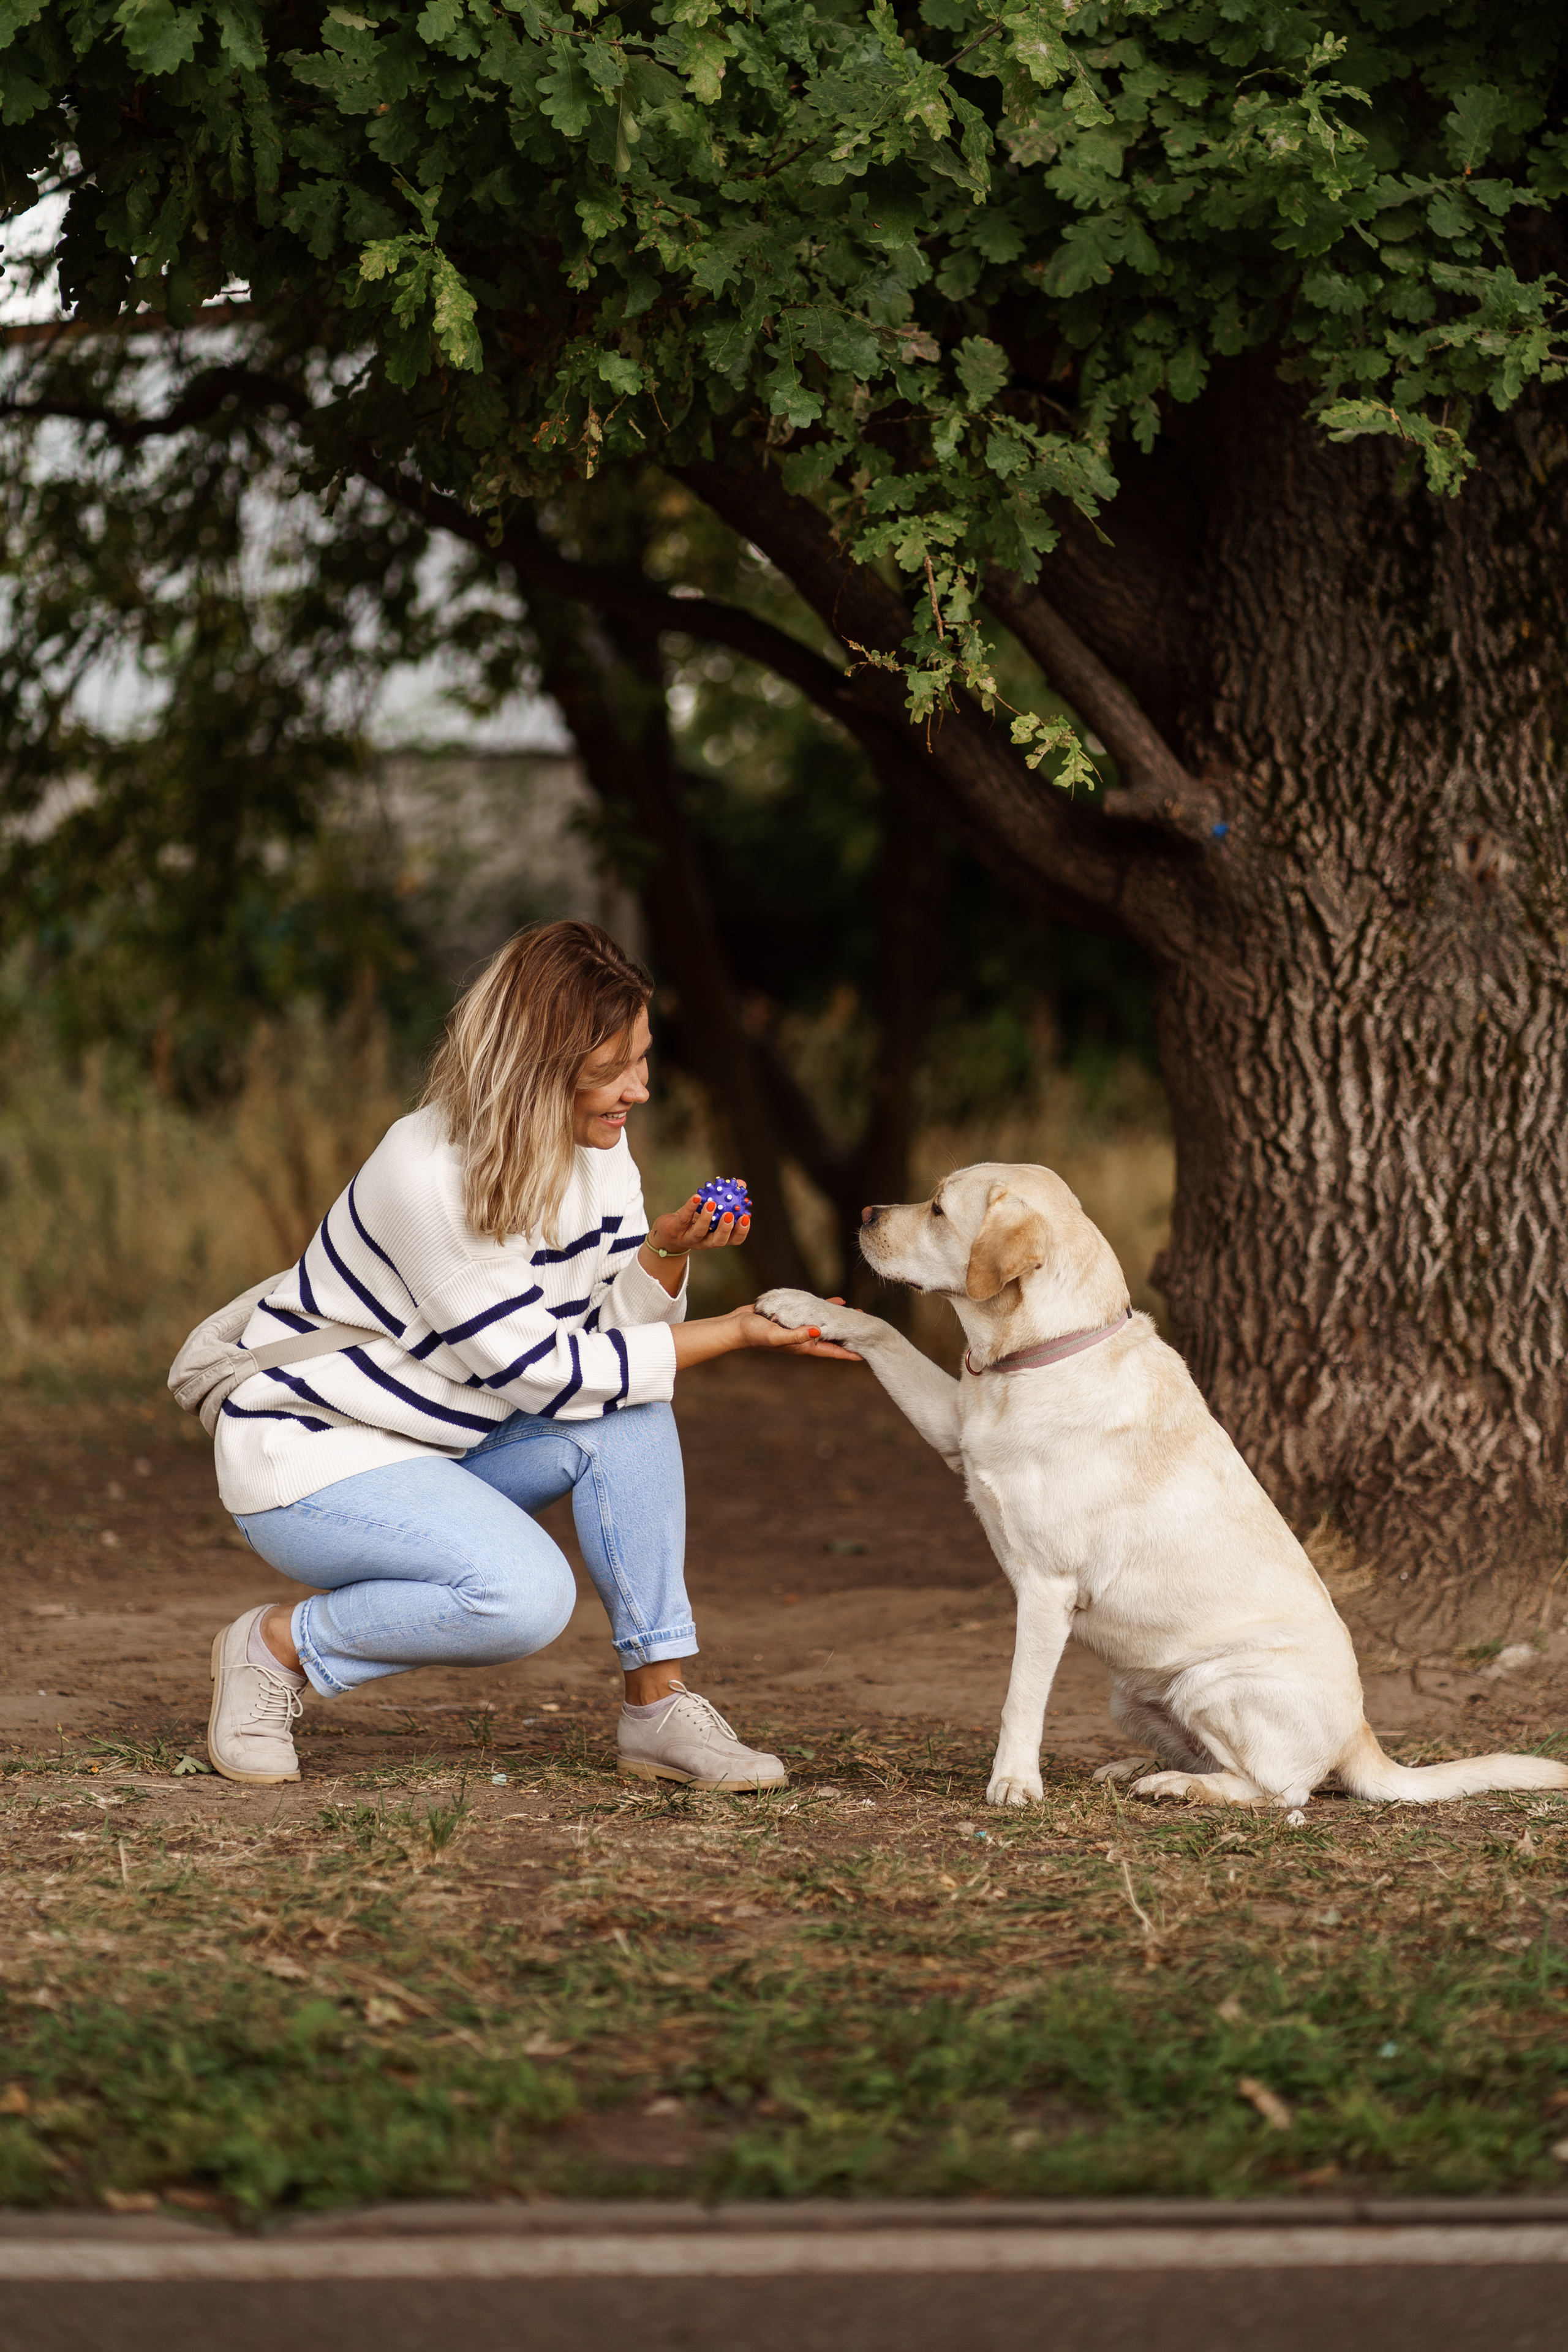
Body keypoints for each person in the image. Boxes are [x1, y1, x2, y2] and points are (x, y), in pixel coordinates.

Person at [206, 920, 851, 1791]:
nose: (640, 1090)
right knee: (523, 1597)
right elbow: (546, 1373)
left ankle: (659, 1706)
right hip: (315, 1454)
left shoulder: (597, 1145)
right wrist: (736, 1332)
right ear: (538, 1067)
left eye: (643, 1060)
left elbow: (605, 1345)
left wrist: (664, 1252)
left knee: (630, 1411)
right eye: (613, 1070)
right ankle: (277, 1647)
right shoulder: (426, 1176)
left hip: (447, 1442)